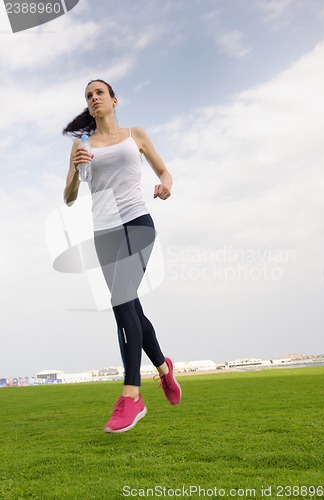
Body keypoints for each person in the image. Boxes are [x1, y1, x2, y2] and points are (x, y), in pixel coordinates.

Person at [63, 79, 181, 433]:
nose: (93, 98)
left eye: (99, 93)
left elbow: (164, 170)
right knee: (128, 307)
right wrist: (76, 171)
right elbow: (69, 196)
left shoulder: (136, 134)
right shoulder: (81, 146)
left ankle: (132, 395)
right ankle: (163, 368)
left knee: (121, 300)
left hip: (139, 223)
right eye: (88, 96)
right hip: (105, 233)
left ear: (114, 99)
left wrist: (166, 185)